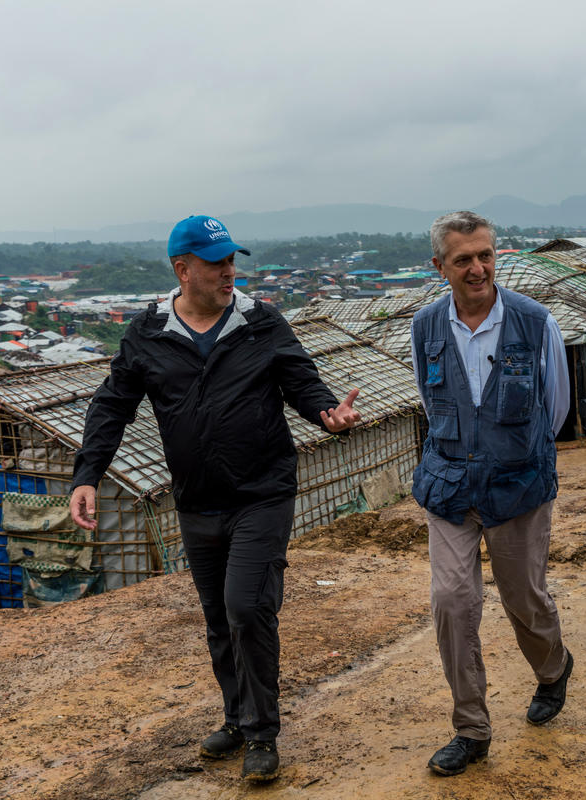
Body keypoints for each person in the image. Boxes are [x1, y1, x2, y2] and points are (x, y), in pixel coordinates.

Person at [69, 215, 362, 783]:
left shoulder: (260, 322)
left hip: (262, 494)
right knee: (218, 618)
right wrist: (88, 475)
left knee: (247, 608)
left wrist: (331, 415)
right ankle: (236, 716)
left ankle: (260, 735)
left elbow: (303, 383)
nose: (230, 270)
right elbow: (111, 407)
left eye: (232, 260)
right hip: (197, 501)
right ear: (182, 269)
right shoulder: (147, 334)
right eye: (216, 262)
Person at [410, 211, 572, 777]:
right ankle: (471, 728)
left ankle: (553, 670)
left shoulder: (534, 321)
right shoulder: (426, 326)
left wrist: (510, 453)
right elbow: (433, 407)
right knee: (452, 602)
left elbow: (554, 410)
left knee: (523, 598)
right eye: (463, 260)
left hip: (517, 484)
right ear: (440, 267)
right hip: (450, 484)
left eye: (486, 255)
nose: (477, 268)